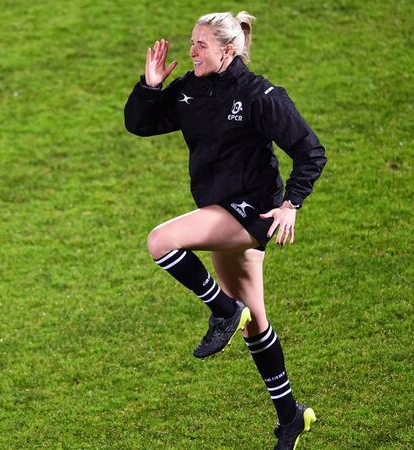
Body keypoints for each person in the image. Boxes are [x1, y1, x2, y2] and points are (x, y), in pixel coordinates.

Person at [123, 11, 327, 450]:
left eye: (201, 45)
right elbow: (139, 123)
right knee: (256, 322)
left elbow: (310, 151)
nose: (191, 51)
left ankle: (221, 309)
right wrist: (151, 86)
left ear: (227, 50)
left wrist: (291, 204)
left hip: (255, 210)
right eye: (191, 42)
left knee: (162, 241)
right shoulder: (191, 92)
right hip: (220, 207)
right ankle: (290, 415)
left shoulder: (259, 94)